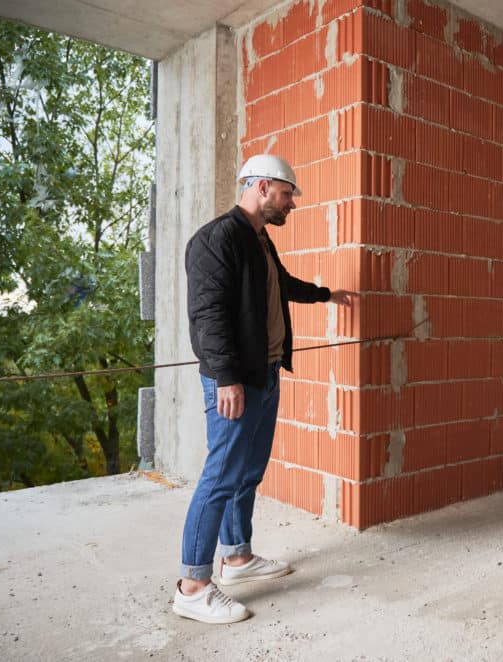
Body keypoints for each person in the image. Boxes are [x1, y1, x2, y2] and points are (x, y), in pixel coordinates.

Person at [173, 154, 355, 624]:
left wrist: (325, 295)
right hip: (235, 381)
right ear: (260, 186)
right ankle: (192, 585)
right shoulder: (217, 240)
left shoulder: (259, 240)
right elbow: (208, 317)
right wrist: (226, 378)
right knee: (219, 476)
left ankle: (236, 557)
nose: (291, 203)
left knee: (247, 471)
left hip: (265, 373)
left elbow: (281, 286)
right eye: (287, 193)